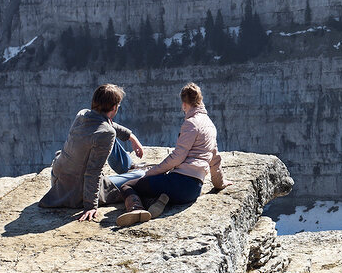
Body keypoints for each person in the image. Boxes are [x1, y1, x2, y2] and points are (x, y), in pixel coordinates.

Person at [115, 82, 229, 227]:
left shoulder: (191, 123)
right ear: (200, 100)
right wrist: (220, 183)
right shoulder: (210, 124)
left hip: (179, 183)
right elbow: (215, 157)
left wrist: (151, 172)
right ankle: (159, 201)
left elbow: (178, 157)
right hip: (194, 189)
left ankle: (136, 209)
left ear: (184, 104)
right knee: (154, 187)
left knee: (128, 186)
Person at [39, 83, 146, 222]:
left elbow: (108, 124)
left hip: (59, 180)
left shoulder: (82, 115)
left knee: (109, 136)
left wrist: (131, 137)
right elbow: (93, 172)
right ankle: (132, 172)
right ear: (114, 107)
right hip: (76, 191)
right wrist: (90, 205)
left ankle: (128, 167)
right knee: (142, 175)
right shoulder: (105, 133)